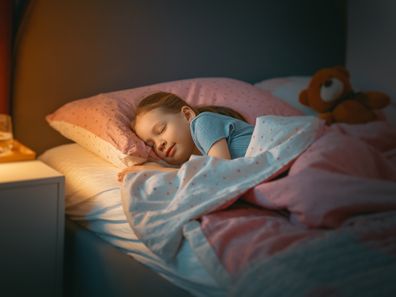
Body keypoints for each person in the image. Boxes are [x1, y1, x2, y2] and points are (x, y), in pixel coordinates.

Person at [117, 91, 254, 181]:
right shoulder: (195, 160)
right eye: (151, 145)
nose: (159, 144)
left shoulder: (202, 122)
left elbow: (219, 173)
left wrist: (156, 170)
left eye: (161, 129)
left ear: (187, 115)